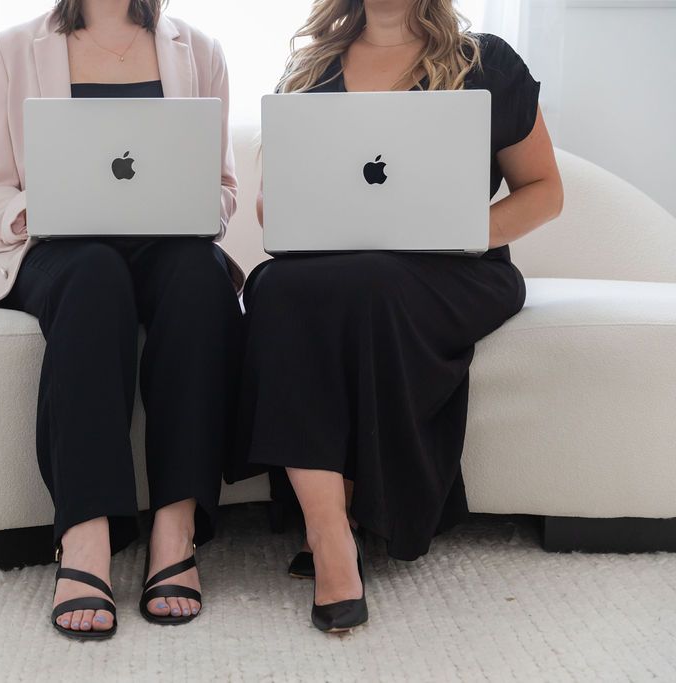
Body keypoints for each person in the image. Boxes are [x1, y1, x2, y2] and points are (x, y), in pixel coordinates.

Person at [237, 0, 564, 632]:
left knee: (371, 282)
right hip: (341, 268)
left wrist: (461, 232)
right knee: (274, 286)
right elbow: (269, 209)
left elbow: (544, 191)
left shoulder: (484, 61)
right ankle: (329, 528)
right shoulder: (310, 69)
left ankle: (348, 523)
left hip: (459, 267)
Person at [0, 0, 243, 640]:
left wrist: (192, 206)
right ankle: (83, 537)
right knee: (94, 275)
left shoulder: (202, 49)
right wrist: (44, 208)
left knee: (200, 277)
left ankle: (176, 528)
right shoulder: (10, 48)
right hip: (60, 251)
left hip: (168, 245)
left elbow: (223, 189)